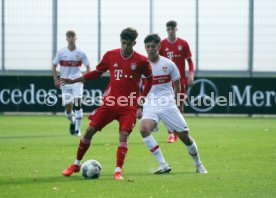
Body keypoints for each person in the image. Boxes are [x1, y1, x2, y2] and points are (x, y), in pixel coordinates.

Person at [60, 27, 153, 180]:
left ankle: (118, 171)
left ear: (134, 43)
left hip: (129, 105)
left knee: (123, 135)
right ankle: (76, 164)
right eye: (123, 43)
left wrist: (141, 100)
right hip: (109, 103)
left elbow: (150, 79)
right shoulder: (110, 55)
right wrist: (75, 80)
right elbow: (97, 72)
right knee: (89, 131)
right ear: (120, 41)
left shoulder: (142, 60)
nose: (125, 47)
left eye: (129, 44)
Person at [138, 34, 207, 174]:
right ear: (145, 47)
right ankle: (163, 164)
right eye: (148, 46)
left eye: (153, 46)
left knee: (185, 137)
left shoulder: (168, 64)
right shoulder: (141, 65)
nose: (150, 49)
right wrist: (139, 106)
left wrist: (178, 103)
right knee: (144, 129)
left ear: (159, 47)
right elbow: (136, 86)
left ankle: (198, 164)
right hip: (150, 104)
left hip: (168, 103)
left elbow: (177, 85)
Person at [159, 20, 195, 143]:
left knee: (179, 107)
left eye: (172, 28)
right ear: (166, 30)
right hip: (166, 81)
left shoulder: (183, 44)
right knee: (167, 107)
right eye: (168, 28)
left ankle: (181, 131)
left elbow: (190, 61)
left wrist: (191, 74)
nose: (170, 31)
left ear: (176, 29)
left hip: (180, 81)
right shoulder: (162, 44)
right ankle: (171, 134)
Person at [52, 30, 90, 136]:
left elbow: (88, 67)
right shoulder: (61, 52)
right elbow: (54, 66)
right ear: (66, 38)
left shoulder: (81, 52)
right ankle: (72, 121)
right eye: (69, 36)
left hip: (77, 81)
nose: (71, 38)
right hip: (65, 82)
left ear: (76, 38)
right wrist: (56, 80)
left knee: (77, 104)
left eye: (73, 36)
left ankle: (78, 130)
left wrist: (84, 78)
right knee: (68, 110)